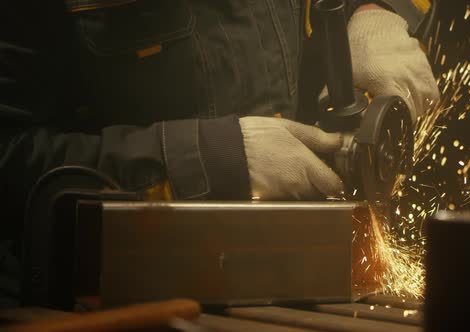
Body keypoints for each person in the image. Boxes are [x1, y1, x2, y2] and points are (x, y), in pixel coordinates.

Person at [0, 0, 439, 306]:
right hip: (112, 302)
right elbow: (11, 155)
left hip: (289, 280)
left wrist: (375, 11)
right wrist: (213, 158)